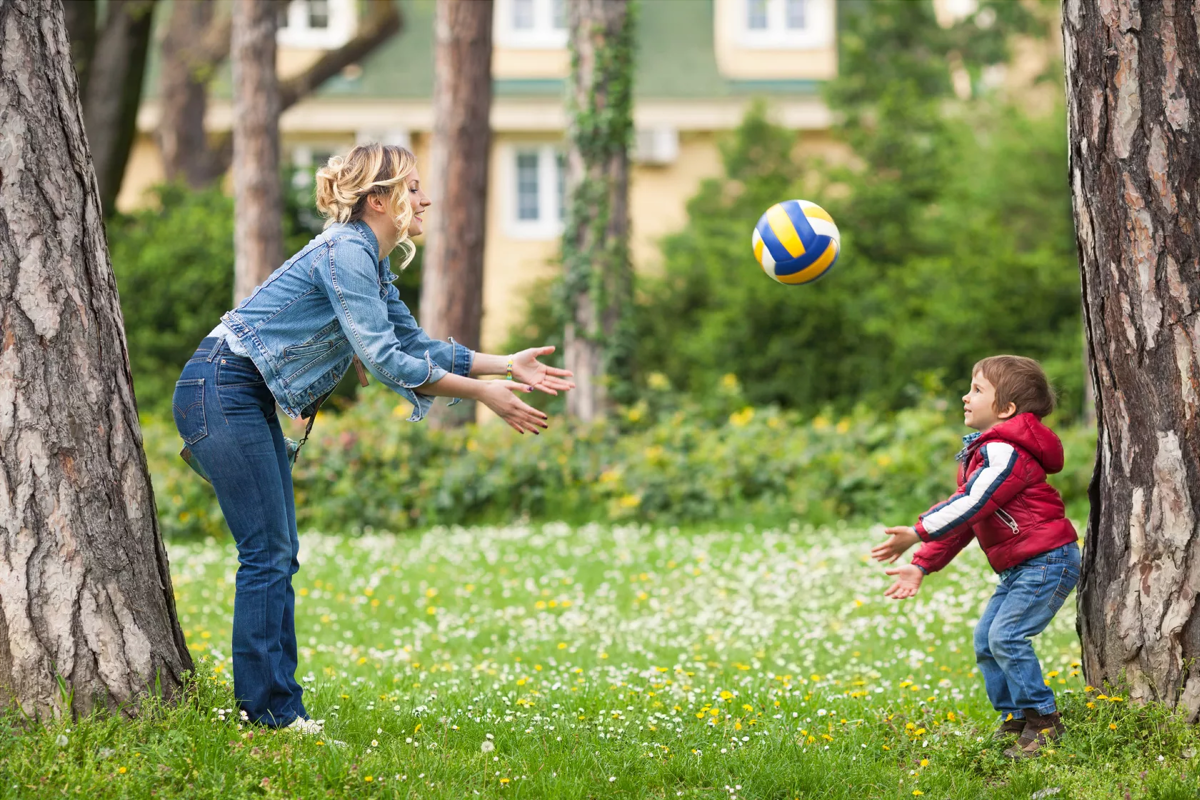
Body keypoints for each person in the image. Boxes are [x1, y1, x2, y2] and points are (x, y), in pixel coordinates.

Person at [171, 143, 574, 735]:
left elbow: (415, 346)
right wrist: (481, 393)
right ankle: (267, 716)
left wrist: (506, 366)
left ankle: (277, 708)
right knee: (267, 555)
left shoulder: (368, 258)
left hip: (237, 392)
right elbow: (384, 360)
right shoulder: (346, 251)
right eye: (413, 188)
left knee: (278, 555)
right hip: (220, 387)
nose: (426, 198)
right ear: (380, 199)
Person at [869, 355, 1079, 760]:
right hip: (1024, 566)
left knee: (1006, 637)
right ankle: (1016, 719)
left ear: (1006, 410)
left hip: (1048, 560)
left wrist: (917, 532)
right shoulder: (987, 452)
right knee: (987, 639)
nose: (966, 397)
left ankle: (1044, 722)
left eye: (977, 389)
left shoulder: (1006, 452)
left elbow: (972, 502)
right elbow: (968, 520)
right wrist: (920, 565)